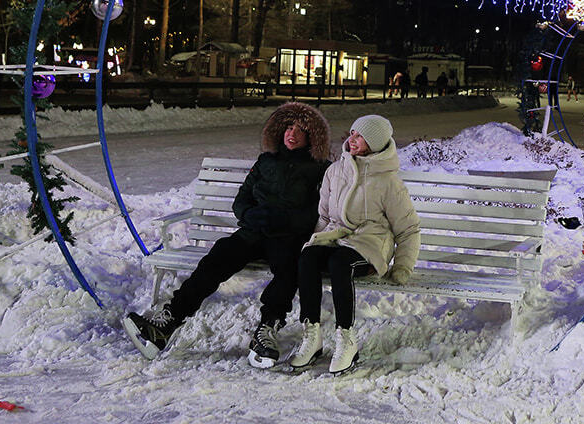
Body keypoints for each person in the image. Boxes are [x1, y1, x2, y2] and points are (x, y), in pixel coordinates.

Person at [123, 102, 332, 367]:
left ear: (312, 136)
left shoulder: (320, 168)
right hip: (254, 232)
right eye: (289, 127)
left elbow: (320, 210)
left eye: (301, 130)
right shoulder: (266, 161)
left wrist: (284, 221)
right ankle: (168, 322)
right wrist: (250, 215)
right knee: (219, 256)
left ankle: (267, 330)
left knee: (288, 269)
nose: (292, 134)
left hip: (287, 237)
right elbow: (241, 200)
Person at [288, 115, 420, 374]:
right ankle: (312, 334)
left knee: (340, 263)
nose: (352, 139)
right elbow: (324, 216)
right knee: (307, 258)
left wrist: (402, 266)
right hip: (337, 238)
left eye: (359, 136)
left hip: (370, 245)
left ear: (374, 143)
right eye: (352, 133)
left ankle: (346, 338)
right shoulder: (335, 171)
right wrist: (317, 243)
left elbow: (408, 228)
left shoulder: (388, 181)